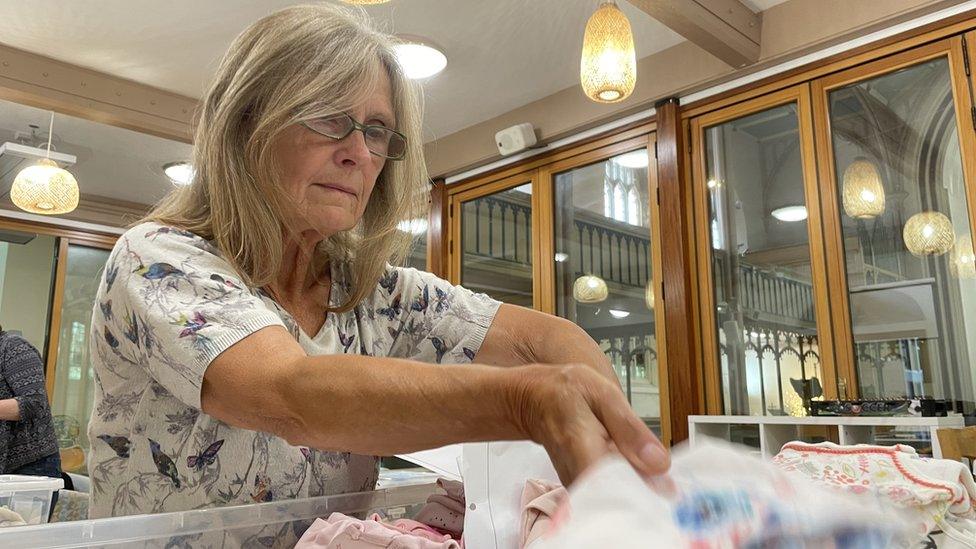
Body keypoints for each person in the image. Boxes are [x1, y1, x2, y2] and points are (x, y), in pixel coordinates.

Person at [88, 3, 669, 520]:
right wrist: (526, 401)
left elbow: (545, 339)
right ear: (245, 125)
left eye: (376, 130)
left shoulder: (374, 292)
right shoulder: (159, 261)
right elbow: (293, 396)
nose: (359, 153)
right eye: (326, 117)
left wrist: (609, 456)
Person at [0, 324, 62, 511]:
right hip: (6, 470)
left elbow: (34, 403)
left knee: (25, 537)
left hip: (32, 467)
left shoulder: (13, 348)